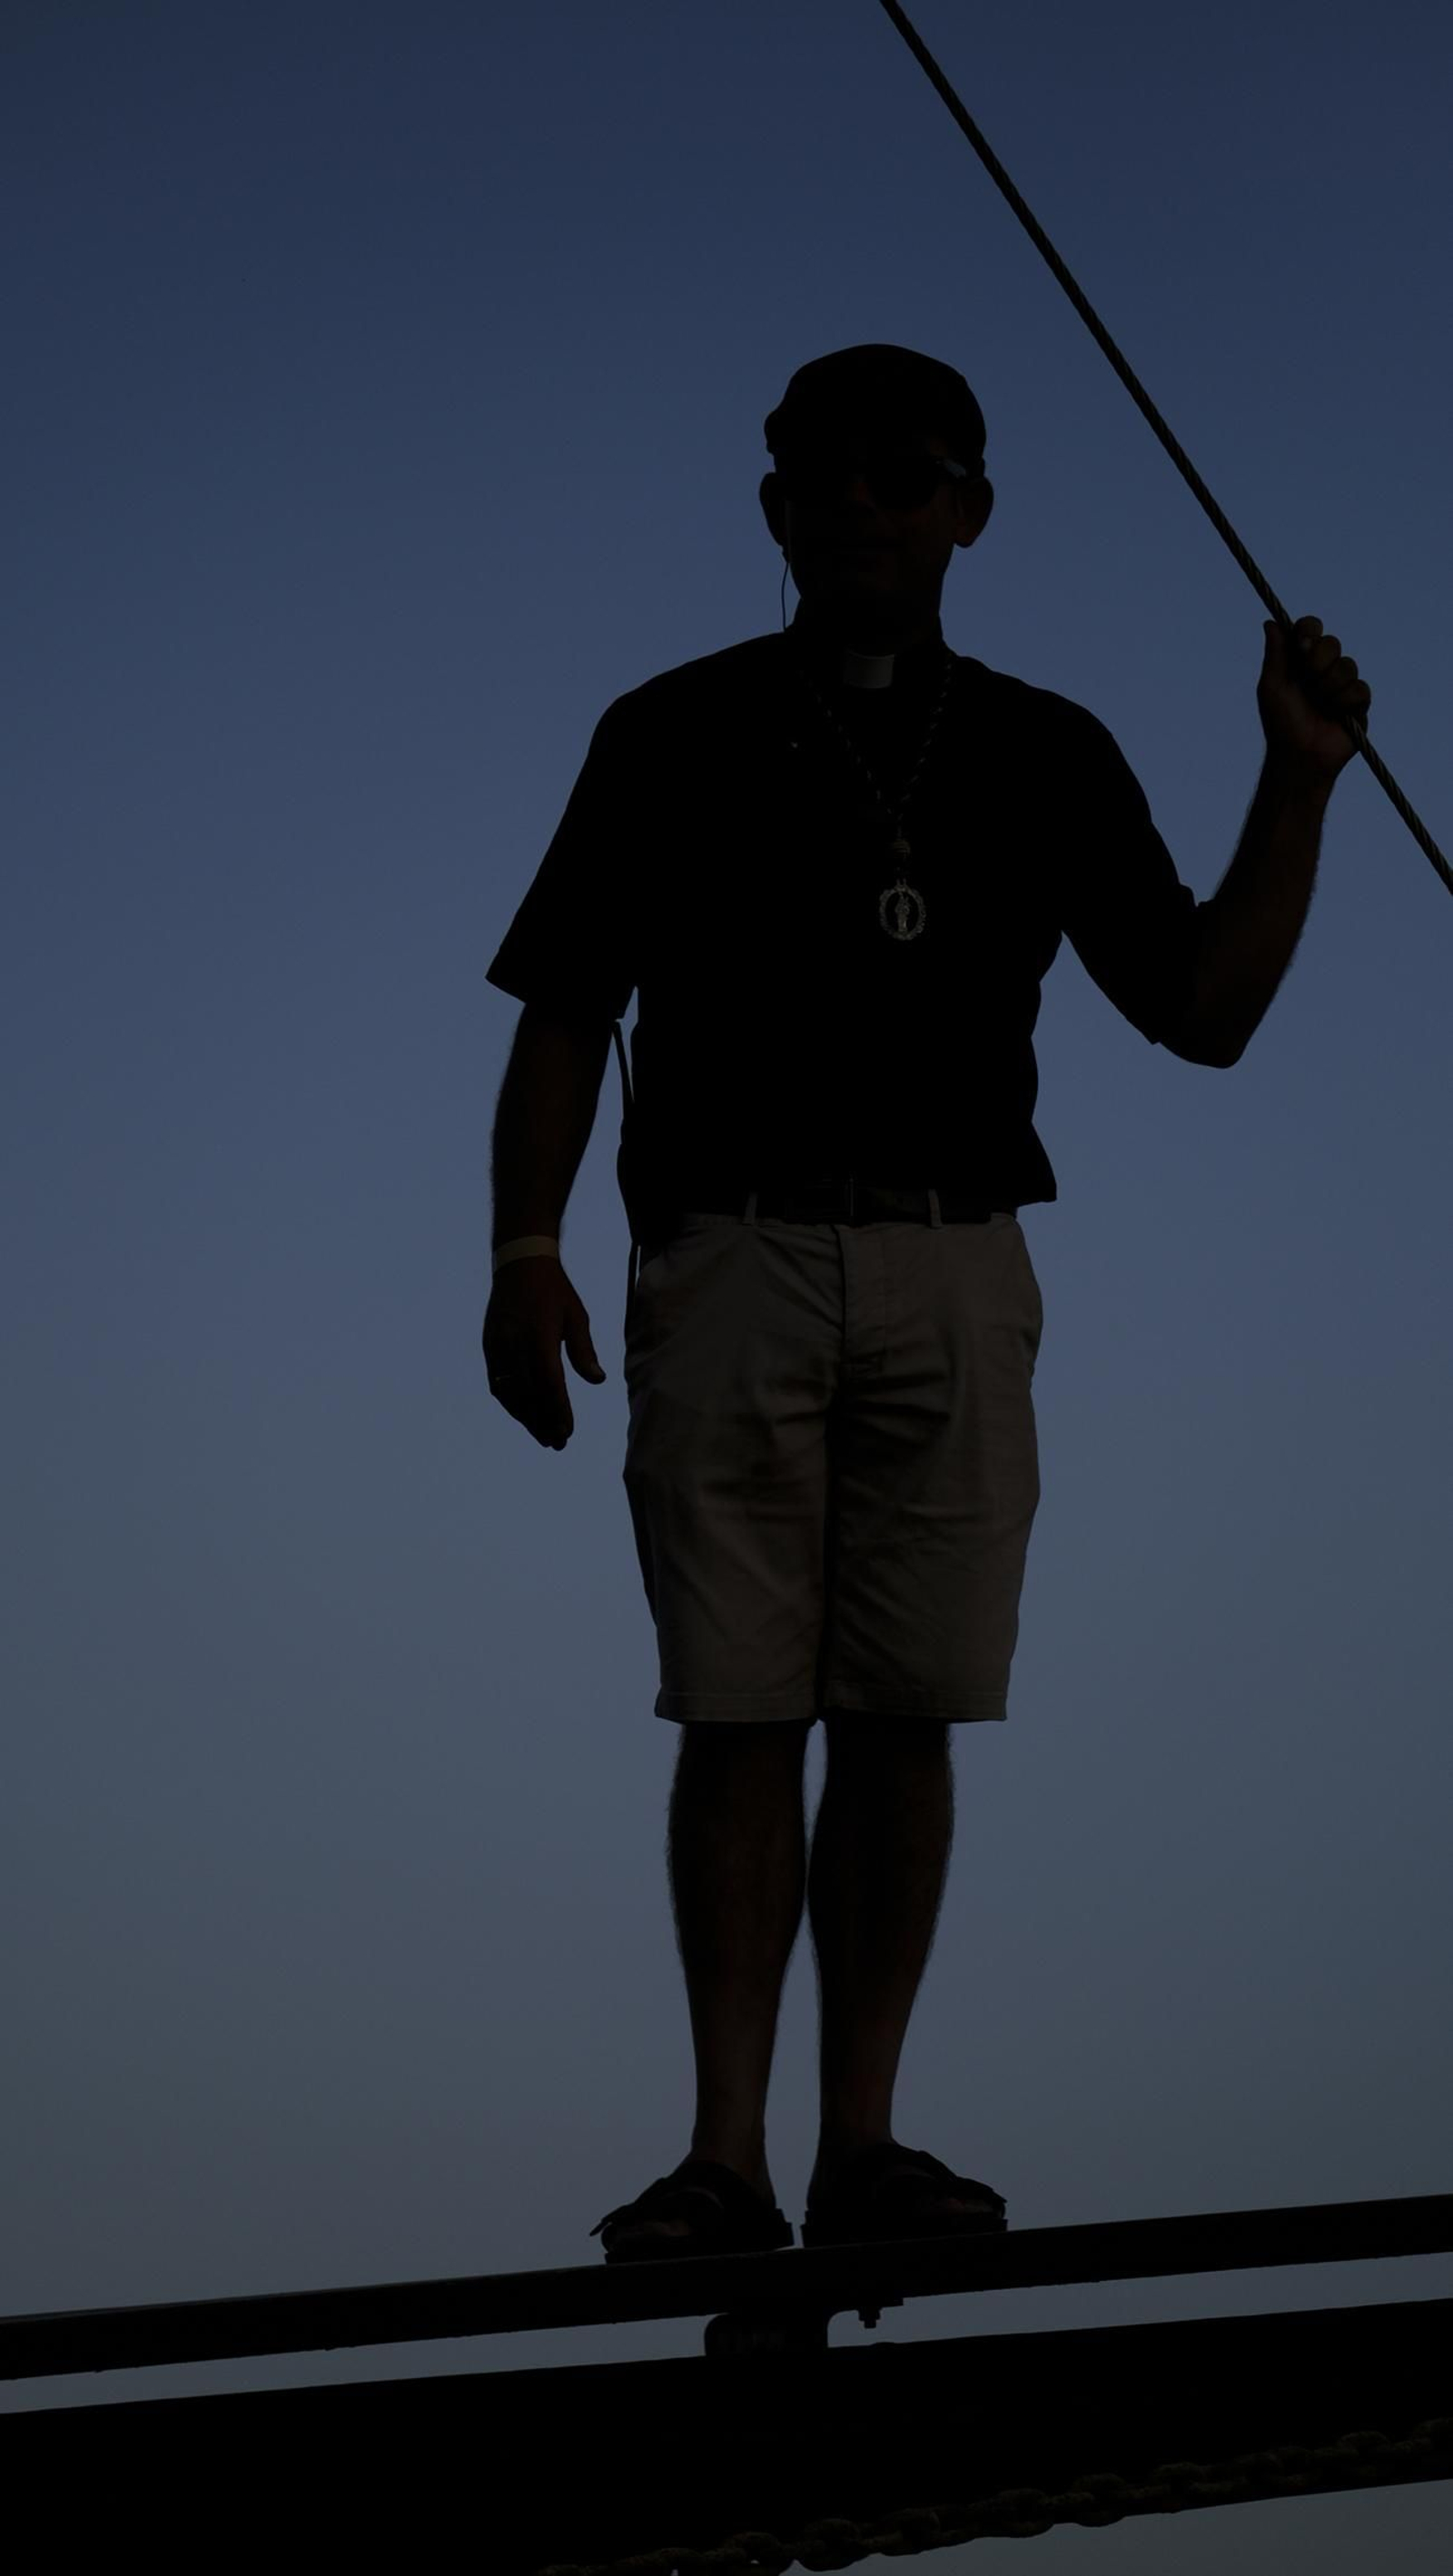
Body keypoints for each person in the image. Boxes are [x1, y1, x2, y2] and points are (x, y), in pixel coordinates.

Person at [481, 343, 1371, 2263]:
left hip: (960, 1260)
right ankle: (724, 2160)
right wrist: (520, 1253)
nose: (862, 505)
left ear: (967, 508)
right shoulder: (670, 728)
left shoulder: (1042, 749)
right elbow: (566, 1003)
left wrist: (1292, 786)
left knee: (903, 1714)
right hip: (721, 1251)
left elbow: (1201, 1010)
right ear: (773, 507)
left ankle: (858, 2147)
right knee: (735, 1713)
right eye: (823, 474)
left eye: (903, 475)